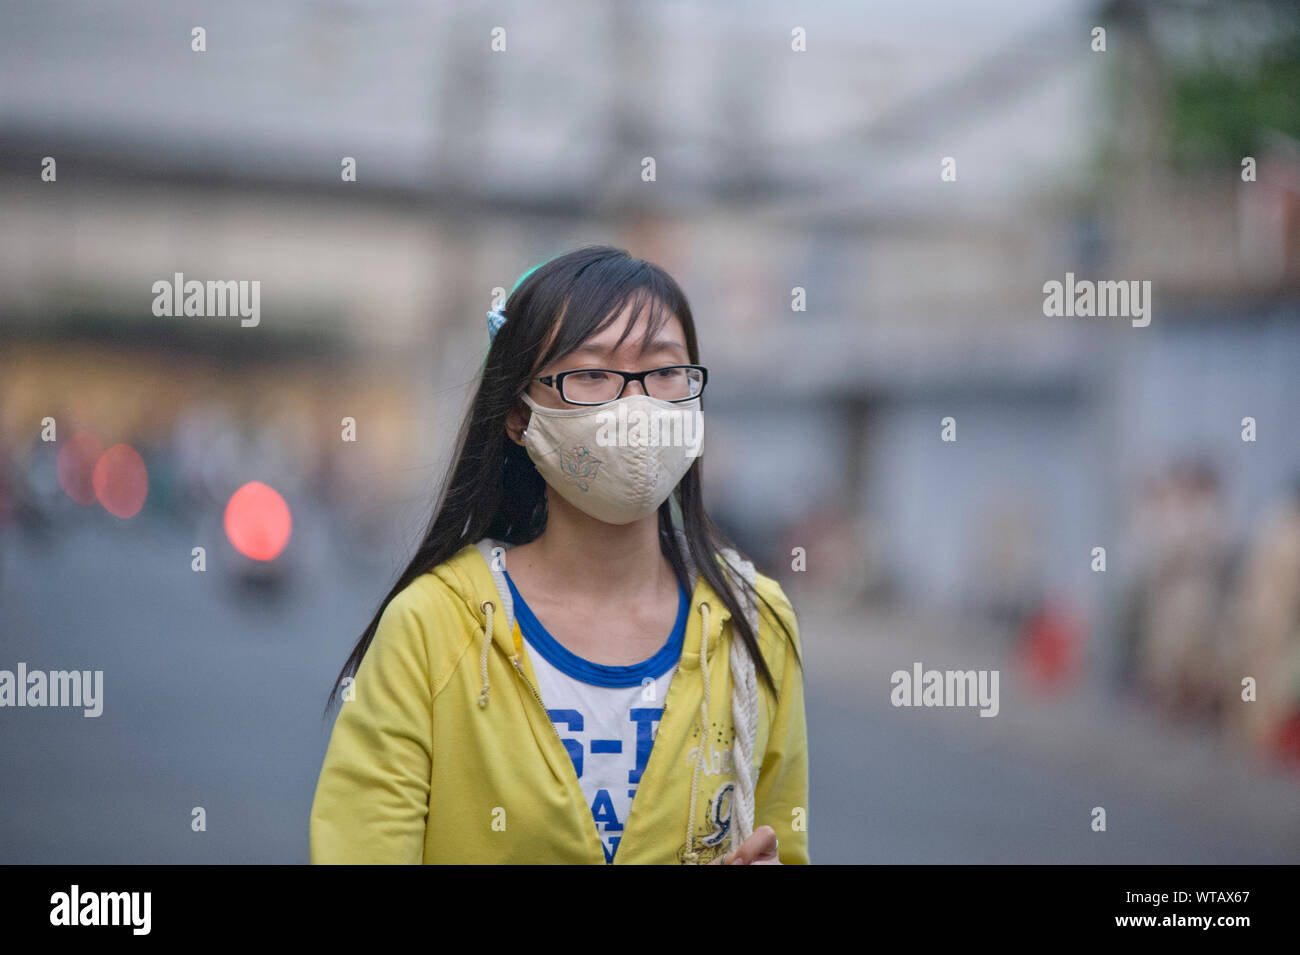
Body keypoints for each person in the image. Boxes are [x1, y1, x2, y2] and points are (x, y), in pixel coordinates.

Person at [309, 245, 809, 864]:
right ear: (519, 415)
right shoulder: (431, 627)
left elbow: (783, 843)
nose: (636, 406)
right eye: (592, 373)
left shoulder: (757, 625)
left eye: (664, 371)